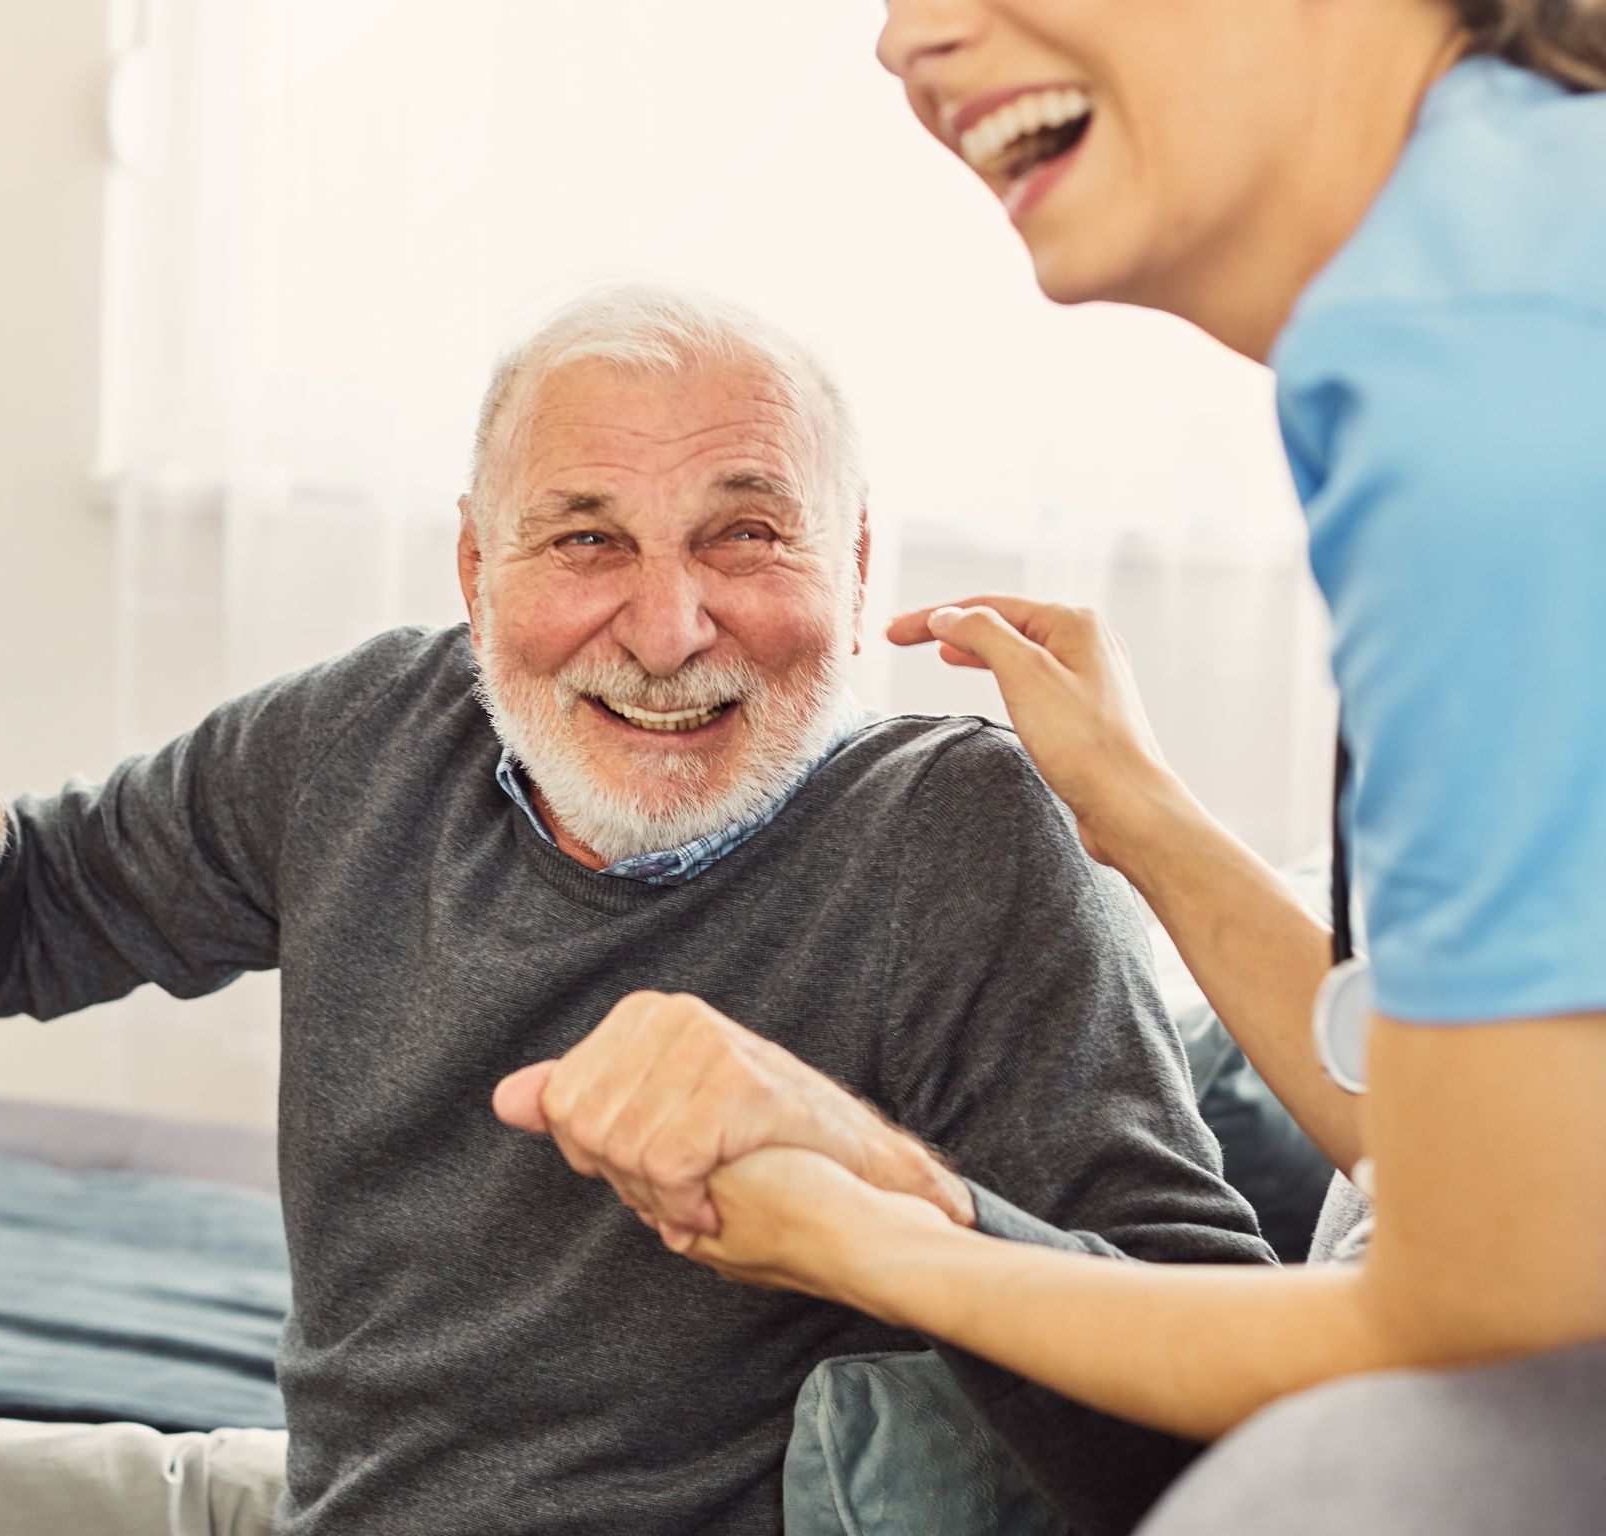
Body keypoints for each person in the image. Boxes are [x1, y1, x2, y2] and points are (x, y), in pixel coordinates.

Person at [0, 285, 1269, 1536]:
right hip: (319, 1501)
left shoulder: (956, 838)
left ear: (855, 571)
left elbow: (1235, 1444)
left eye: (746, 533)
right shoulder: (365, 737)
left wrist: (890, 1190)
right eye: (587, 538)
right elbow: (30, 906)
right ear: (474, 566)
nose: (665, 628)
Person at [508, 4, 1606, 1534]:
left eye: (745, 532)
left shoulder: (1489, 359)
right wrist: (1140, 814)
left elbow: (1488, 1311)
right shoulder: (1508, 255)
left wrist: (871, 1227)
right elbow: (1478, 1177)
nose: (907, 42)